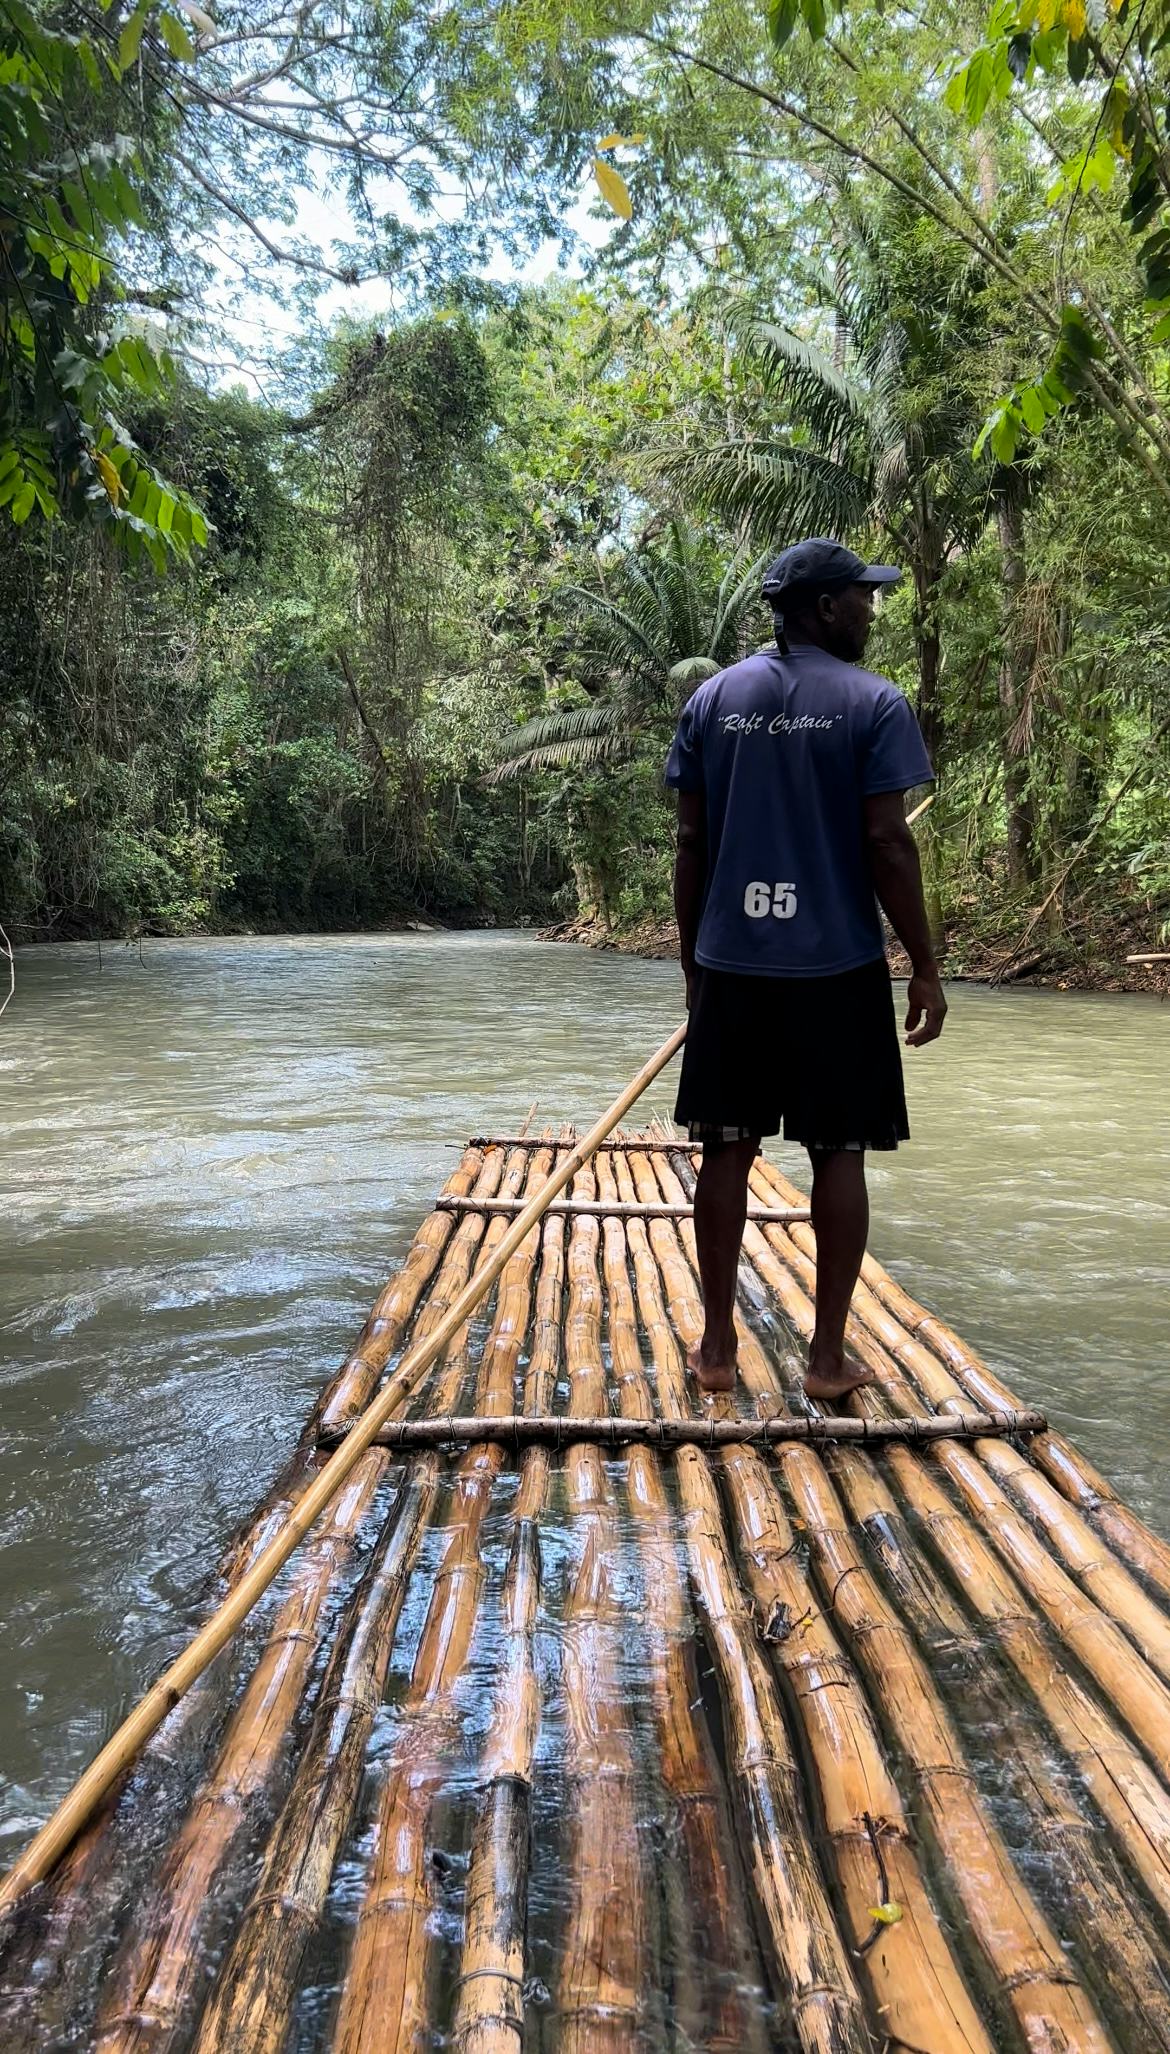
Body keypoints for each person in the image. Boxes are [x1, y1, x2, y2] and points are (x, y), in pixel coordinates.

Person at [665, 537, 947, 1401]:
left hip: (734, 964)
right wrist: (925, 965)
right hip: (838, 968)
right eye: (862, 596)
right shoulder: (874, 702)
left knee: (726, 1147)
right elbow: (887, 843)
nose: (870, 609)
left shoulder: (713, 700)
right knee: (839, 1152)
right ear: (825, 608)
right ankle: (825, 1361)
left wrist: (696, 967)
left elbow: (690, 842)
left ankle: (717, 1351)